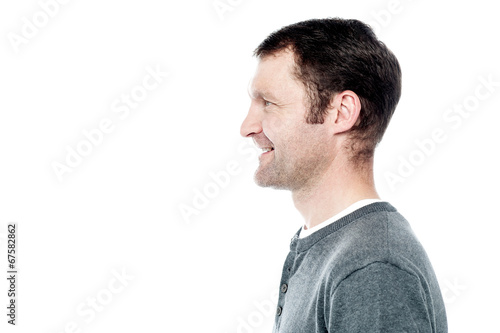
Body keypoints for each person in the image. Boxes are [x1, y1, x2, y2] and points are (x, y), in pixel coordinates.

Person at [240, 18, 447, 332]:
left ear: (340, 112)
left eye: (268, 102)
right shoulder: (333, 247)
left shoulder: (373, 266)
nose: (247, 128)